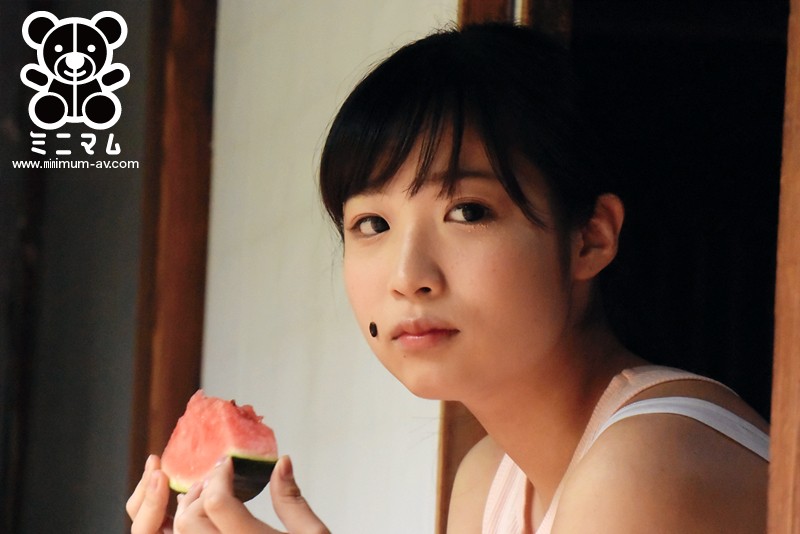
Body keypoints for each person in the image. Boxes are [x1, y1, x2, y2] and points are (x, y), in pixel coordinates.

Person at [127, 23, 770, 533]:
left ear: (589, 238)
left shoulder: (645, 462)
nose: (409, 277)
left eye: (467, 212)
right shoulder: (490, 481)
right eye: (372, 224)